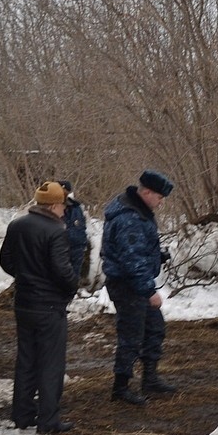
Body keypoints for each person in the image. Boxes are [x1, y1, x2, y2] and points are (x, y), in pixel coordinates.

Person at [0, 181, 80, 433]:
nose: (65, 210)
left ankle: (22, 415)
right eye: (63, 206)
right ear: (55, 205)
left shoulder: (17, 225)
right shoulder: (56, 231)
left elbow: (5, 261)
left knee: (26, 360)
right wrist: (70, 287)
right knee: (51, 363)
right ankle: (48, 420)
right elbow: (61, 270)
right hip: (49, 307)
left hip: (24, 304)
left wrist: (25, 277)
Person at [100, 169, 177, 405]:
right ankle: (120, 388)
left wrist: (157, 255)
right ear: (146, 192)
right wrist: (149, 291)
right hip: (128, 286)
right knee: (131, 336)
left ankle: (150, 379)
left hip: (134, 282)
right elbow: (132, 260)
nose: (161, 203)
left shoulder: (139, 212)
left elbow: (138, 251)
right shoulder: (128, 218)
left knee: (154, 329)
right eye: (159, 197)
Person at [58, 180, 88, 280]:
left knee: (73, 281)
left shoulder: (76, 208)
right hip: (60, 252)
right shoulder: (52, 208)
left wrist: (82, 246)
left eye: (66, 192)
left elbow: (82, 227)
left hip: (77, 252)